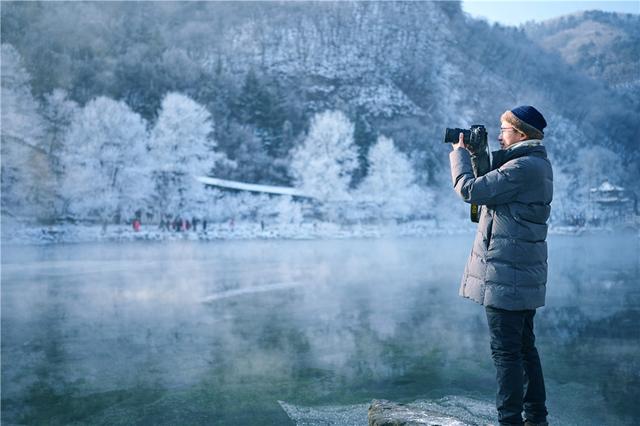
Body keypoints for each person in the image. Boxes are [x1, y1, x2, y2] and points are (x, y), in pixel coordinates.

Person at [449, 106, 552, 426]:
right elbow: (491, 186)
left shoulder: (522, 168)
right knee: (524, 349)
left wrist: (459, 156)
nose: (498, 135)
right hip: (518, 274)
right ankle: (536, 417)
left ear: (521, 134)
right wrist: (480, 153)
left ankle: (510, 421)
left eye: (504, 130)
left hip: (507, 276)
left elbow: (472, 190)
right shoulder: (532, 164)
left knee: (506, 353)